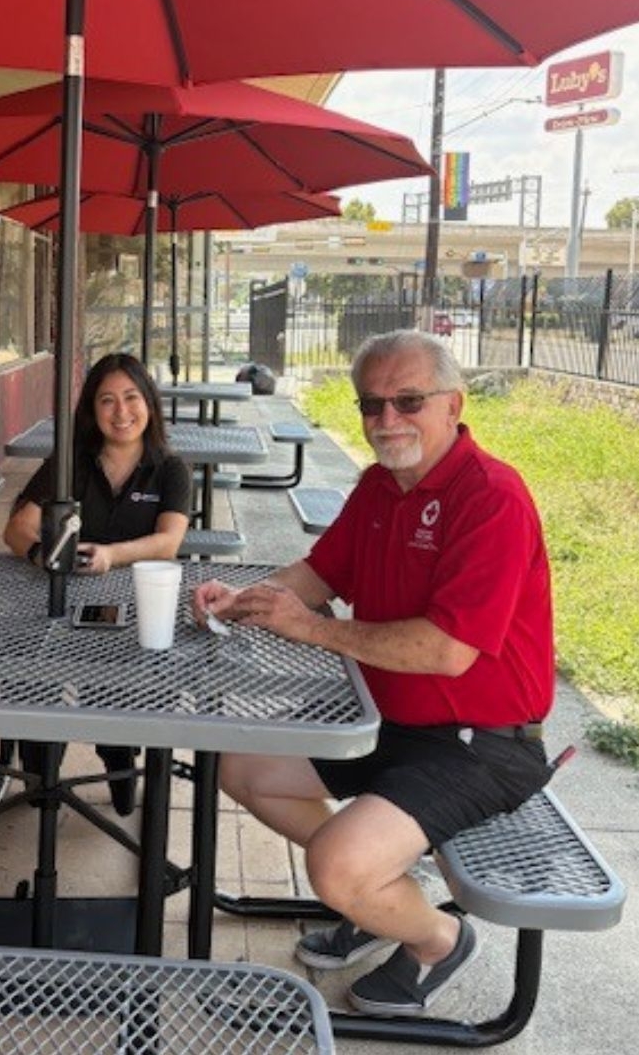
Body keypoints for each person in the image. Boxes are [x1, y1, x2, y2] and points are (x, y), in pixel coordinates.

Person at [193, 330, 554, 1017]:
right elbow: (319, 573)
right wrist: (242, 599)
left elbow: (448, 651)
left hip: (484, 745)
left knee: (334, 865)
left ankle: (436, 941)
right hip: (389, 723)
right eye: (371, 405)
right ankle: (380, 890)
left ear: (453, 404)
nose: (387, 420)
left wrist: (312, 627)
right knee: (242, 766)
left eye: (408, 400)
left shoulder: (492, 497)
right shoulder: (380, 486)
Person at [4, 352, 191, 814]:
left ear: (149, 403)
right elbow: (17, 527)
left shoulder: (170, 468)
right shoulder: (71, 462)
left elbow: (168, 542)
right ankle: (40, 772)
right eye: (107, 401)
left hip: (131, 603)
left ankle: (119, 760)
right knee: (32, 678)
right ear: (91, 410)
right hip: (59, 594)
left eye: (131, 397)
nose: (121, 412)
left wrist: (111, 555)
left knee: (113, 688)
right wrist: (43, 555)